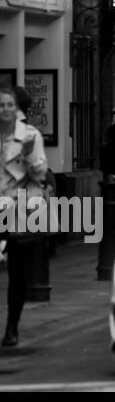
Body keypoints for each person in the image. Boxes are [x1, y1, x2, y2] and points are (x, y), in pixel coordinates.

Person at [1, 86, 47, 347]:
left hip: (20, 210)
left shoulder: (30, 135)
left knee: (18, 273)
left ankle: (11, 328)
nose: (5, 110)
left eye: (10, 105)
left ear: (17, 109)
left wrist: (28, 153)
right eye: (1, 105)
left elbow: (40, 174)